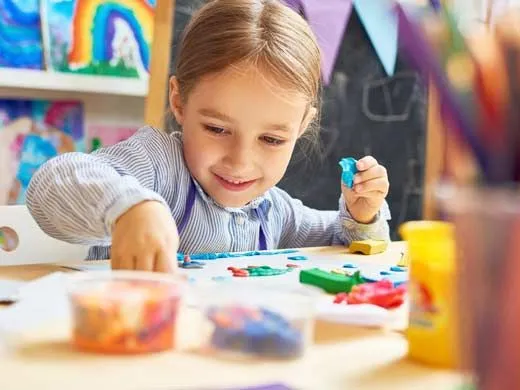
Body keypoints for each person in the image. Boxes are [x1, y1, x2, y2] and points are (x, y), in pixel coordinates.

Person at [26, 0, 391, 273]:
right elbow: (50, 185)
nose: (240, 161)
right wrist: (127, 209)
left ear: (301, 126)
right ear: (178, 101)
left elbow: (343, 246)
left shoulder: (272, 211)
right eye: (217, 129)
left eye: (271, 140)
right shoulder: (157, 165)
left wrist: (361, 217)